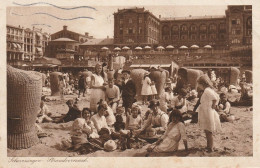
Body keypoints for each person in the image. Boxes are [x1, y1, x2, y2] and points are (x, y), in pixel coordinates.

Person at [197, 75, 221, 152]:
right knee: (207, 130)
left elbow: (215, 98)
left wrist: (214, 105)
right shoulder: (208, 90)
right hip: (205, 111)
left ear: (202, 83)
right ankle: (208, 146)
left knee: (208, 130)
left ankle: (210, 147)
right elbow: (217, 96)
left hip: (207, 111)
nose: (198, 86)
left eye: (199, 84)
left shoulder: (207, 90)